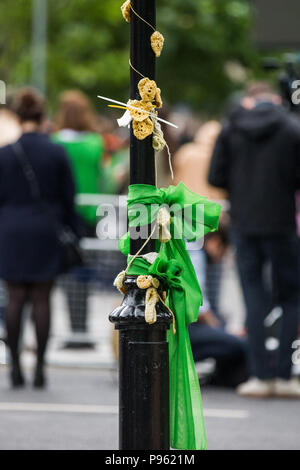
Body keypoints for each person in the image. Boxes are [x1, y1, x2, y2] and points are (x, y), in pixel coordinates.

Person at [209, 82, 300, 397]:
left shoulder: (231, 128)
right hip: (283, 224)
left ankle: (259, 375)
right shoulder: (291, 128)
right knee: (291, 298)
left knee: (253, 297)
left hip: (244, 225)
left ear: (249, 101)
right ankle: (285, 376)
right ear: (275, 100)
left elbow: (215, 177)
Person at [0, 88, 80, 387]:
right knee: (43, 298)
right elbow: (69, 197)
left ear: (18, 117)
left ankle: (15, 368)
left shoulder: (4, 154)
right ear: (43, 115)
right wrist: (73, 230)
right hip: (46, 230)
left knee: (15, 298)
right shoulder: (56, 152)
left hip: (10, 231)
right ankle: (41, 368)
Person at [53, 91, 104, 346]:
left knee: (67, 274)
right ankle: (82, 329)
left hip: (64, 214)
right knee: (85, 272)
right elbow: (101, 178)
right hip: (90, 214)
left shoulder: (56, 143)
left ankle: (74, 329)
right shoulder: (95, 143)